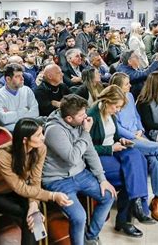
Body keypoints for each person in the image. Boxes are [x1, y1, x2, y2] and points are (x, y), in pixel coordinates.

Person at [0, 118, 73, 245]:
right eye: (38, 135)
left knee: (33, 214)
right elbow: (19, 187)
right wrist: (52, 196)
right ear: (25, 139)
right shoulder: (3, 155)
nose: (43, 138)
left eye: (42, 133)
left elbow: (35, 180)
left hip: (21, 188)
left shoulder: (40, 148)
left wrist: (33, 205)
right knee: (29, 216)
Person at [42, 94, 116, 245]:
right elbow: (72, 158)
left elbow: (90, 152)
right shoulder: (54, 130)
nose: (86, 117)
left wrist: (102, 179)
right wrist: (86, 132)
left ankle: (90, 237)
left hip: (80, 174)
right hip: (57, 180)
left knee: (108, 195)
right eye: (81, 115)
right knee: (79, 216)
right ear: (69, 118)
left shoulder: (79, 125)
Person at [87, 86, 154, 237]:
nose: (117, 110)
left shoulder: (111, 114)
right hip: (101, 154)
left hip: (115, 148)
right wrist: (110, 148)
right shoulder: (92, 115)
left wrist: (121, 140)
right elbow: (87, 148)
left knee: (139, 158)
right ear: (106, 101)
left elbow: (114, 135)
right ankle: (125, 218)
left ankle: (136, 202)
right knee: (128, 176)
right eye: (116, 106)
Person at [0, 64, 39, 132]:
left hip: (29, 127)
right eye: (17, 76)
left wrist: (11, 114)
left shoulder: (27, 90)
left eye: (22, 75)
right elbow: (5, 119)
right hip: (10, 132)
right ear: (8, 79)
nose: (22, 78)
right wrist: (25, 110)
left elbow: (35, 113)